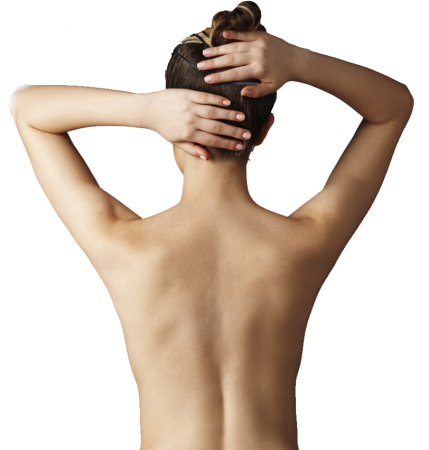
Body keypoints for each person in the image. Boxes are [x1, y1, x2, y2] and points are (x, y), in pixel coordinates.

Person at [9, 2, 414, 449]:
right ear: (266, 129)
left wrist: (144, 110)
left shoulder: (125, 246)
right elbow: (394, 106)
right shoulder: (305, 241)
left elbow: (25, 107)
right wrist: (298, 61)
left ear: (173, 129)